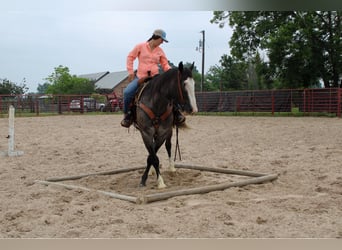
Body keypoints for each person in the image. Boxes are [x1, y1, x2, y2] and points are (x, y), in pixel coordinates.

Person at [121, 29, 185, 128]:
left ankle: (177, 113)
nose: (162, 42)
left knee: (170, 91)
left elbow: (165, 64)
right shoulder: (140, 46)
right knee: (127, 92)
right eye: (162, 40)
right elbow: (130, 57)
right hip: (141, 77)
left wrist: (172, 72)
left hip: (156, 78)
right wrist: (130, 71)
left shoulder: (160, 51)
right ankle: (127, 115)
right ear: (156, 37)